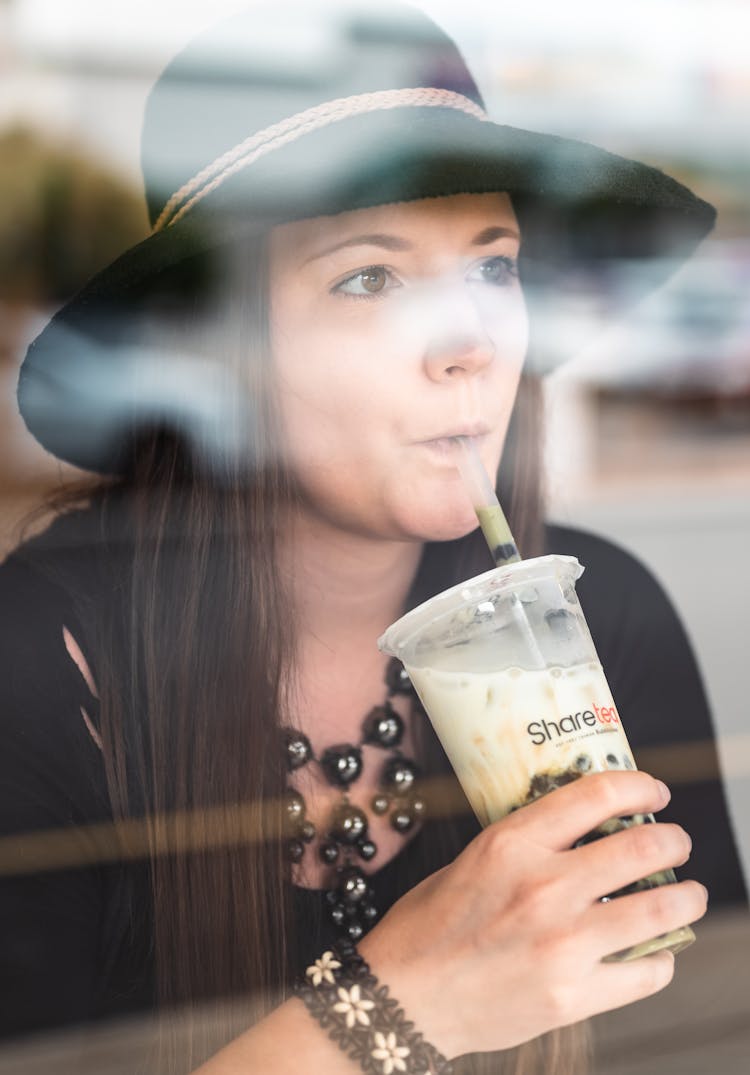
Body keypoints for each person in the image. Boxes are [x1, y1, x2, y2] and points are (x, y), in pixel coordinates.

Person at [1, 3, 744, 1073]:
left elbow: (704, 1035)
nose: (470, 345)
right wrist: (400, 1004)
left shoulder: (600, 616)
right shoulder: (39, 674)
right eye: (369, 277)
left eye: (495, 266)